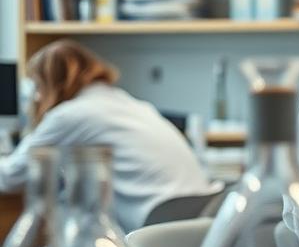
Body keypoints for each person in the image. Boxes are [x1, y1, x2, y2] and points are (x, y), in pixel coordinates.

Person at [0, 40, 214, 231]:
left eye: (38, 86)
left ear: (51, 84)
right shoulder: (129, 102)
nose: (36, 96)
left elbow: (10, 177)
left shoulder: (70, 114)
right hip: (195, 213)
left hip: (156, 222)